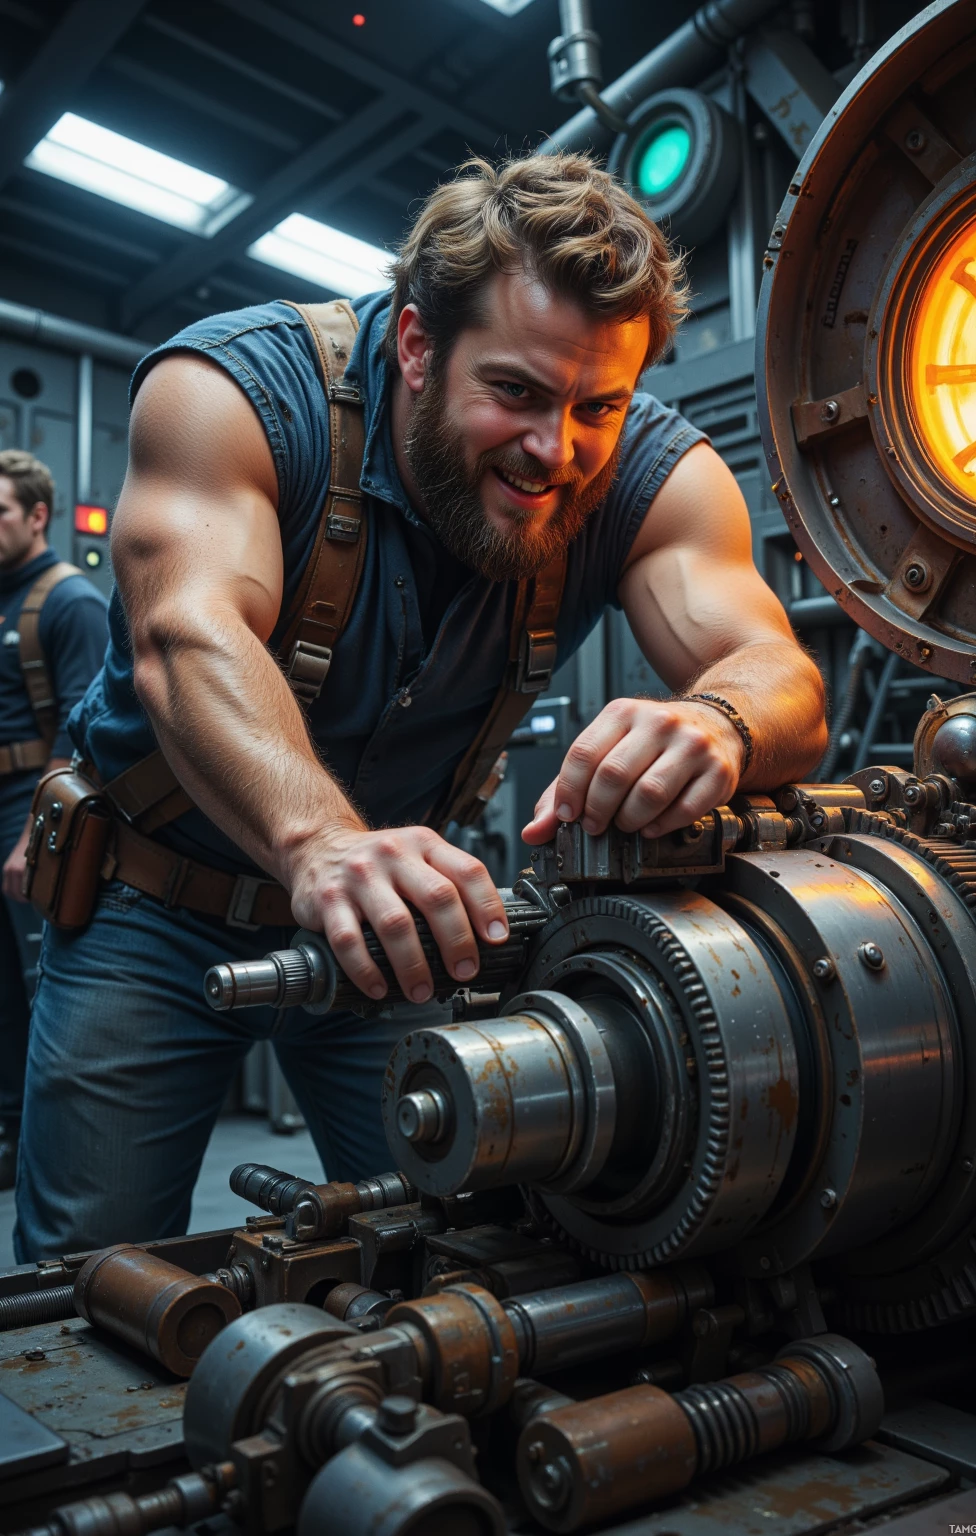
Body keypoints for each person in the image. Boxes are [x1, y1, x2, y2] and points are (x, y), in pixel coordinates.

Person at [15, 153, 826, 1259]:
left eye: (598, 405)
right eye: (515, 394)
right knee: (93, 1281)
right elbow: (186, 637)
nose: (557, 450)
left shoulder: (647, 472)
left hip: (390, 927)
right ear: (413, 345)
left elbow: (775, 670)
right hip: (150, 908)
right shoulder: (234, 392)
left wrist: (719, 720)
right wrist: (320, 844)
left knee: (461, 1251)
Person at [0, 450, 107, 1189]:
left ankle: (47, 1149)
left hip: (31, 807)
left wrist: (30, 841)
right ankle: (10, 1131)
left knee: (43, 990)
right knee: (3, 989)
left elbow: (81, 731)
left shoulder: (68, 601)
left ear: (37, 516)